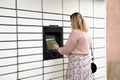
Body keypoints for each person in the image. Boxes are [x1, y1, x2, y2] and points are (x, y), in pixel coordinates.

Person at [54, 12, 92, 80]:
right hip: (86, 64)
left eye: (71, 21)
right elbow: (89, 46)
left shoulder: (75, 32)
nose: (70, 24)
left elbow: (66, 50)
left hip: (76, 64)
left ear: (74, 21)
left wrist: (58, 48)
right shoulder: (86, 32)